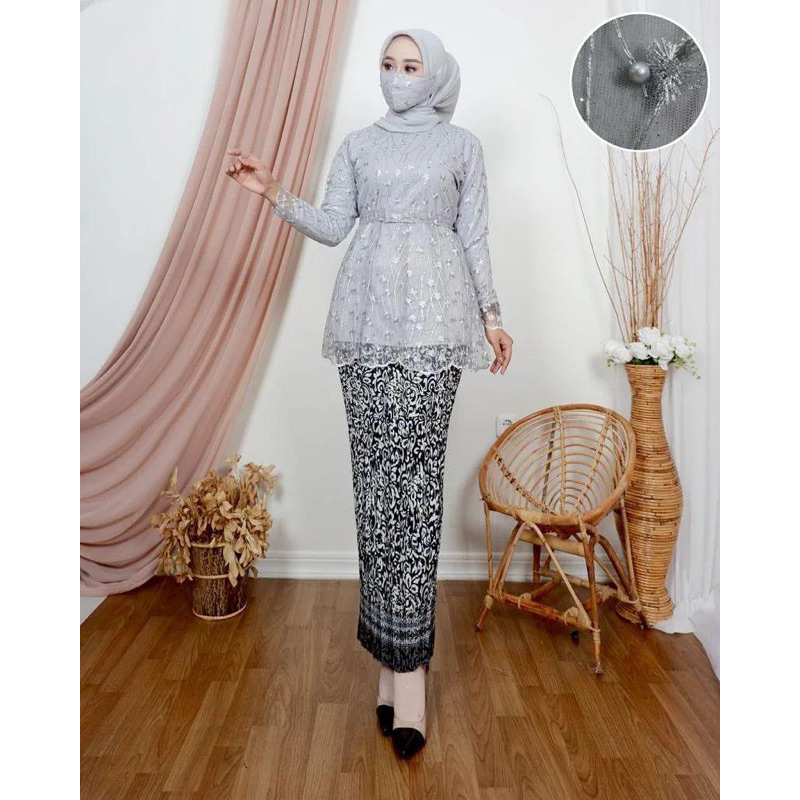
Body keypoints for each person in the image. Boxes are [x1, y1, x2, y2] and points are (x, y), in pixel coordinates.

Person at [224, 27, 513, 760]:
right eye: (388, 64)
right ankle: (388, 662)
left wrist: (492, 316)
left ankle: (409, 678)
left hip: (436, 330)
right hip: (365, 327)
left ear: (435, 75)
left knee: (415, 494)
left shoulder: (462, 147)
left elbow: (474, 237)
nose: (397, 76)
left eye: (411, 66)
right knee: (376, 494)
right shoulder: (357, 146)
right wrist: (271, 192)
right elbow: (331, 227)